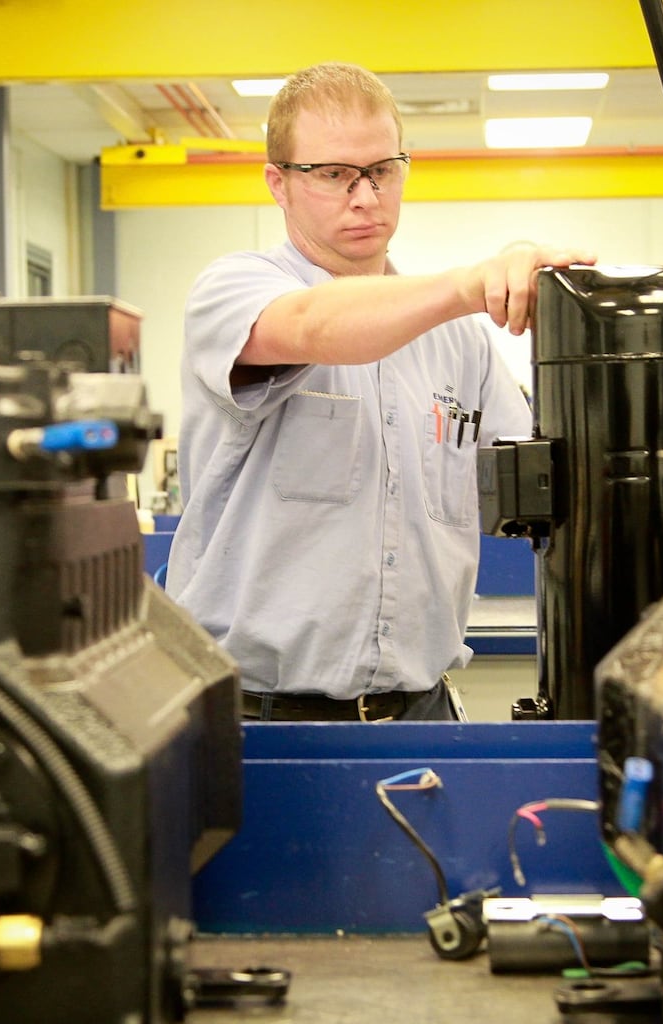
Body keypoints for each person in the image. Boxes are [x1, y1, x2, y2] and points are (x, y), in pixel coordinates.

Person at [166, 61, 596, 722]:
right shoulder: (233, 291)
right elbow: (315, 326)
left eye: (383, 170)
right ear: (278, 184)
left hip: (421, 714)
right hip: (257, 722)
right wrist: (469, 284)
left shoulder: (460, 342)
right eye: (335, 175)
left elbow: (535, 477)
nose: (365, 197)